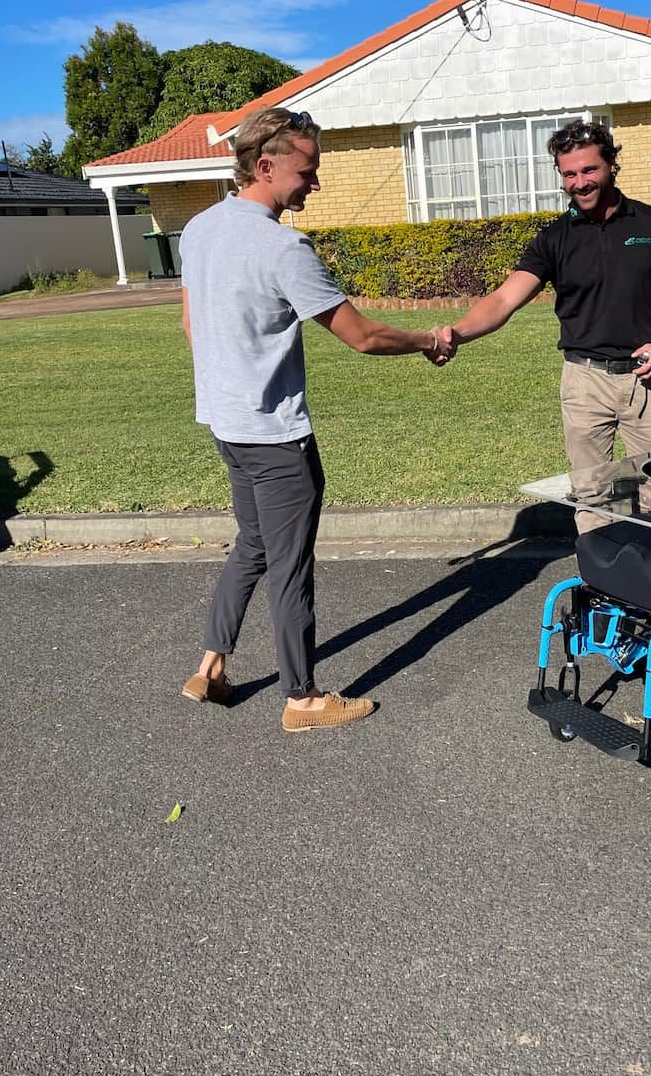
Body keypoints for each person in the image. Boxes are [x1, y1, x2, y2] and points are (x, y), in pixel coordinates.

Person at [178, 107, 452, 732]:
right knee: (289, 565)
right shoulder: (283, 246)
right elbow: (362, 336)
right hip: (276, 438)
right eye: (307, 172)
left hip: (226, 426)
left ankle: (211, 666)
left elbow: (192, 326)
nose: (315, 184)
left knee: (252, 543)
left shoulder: (198, 228)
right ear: (265, 166)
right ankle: (301, 699)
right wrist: (428, 341)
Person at [442, 121, 651, 529]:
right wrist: (457, 333)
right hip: (584, 383)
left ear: (611, 164)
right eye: (569, 174)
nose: (579, 183)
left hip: (645, 380)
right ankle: (602, 570)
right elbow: (504, 299)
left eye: (589, 170)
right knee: (593, 497)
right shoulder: (554, 239)